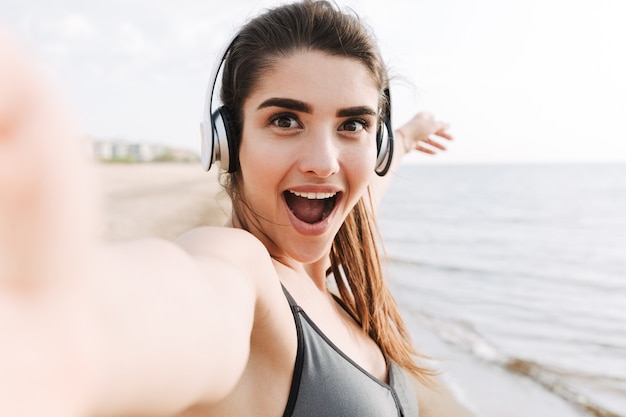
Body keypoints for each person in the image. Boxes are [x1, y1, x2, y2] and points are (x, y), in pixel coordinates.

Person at [0, 1, 460, 416]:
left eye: (353, 123)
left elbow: (367, 202)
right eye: (285, 121)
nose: (323, 163)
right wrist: (47, 328)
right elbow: (180, 306)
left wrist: (406, 138)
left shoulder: (331, 260)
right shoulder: (242, 272)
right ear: (227, 142)